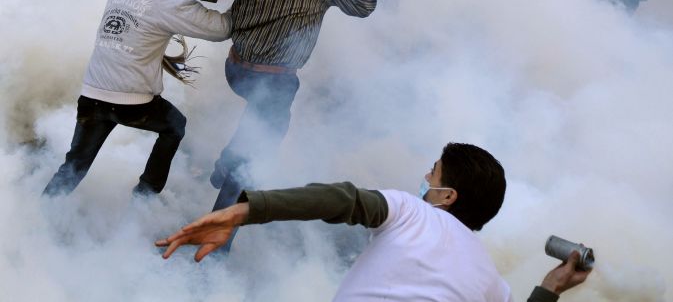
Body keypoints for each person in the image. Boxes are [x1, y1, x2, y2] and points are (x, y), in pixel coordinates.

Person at [156, 143, 591, 301]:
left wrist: (243, 211)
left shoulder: (410, 209)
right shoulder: (490, 281)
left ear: (447, 197)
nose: (424, 178)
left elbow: (342, 199)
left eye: (432, 173)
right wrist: (551, 286)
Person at [191, 0, 376, 214]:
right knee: (256, 151)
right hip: (276, 81)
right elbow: (365, 5)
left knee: (257, 120)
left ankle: (224, 164)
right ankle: (220, 227)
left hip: (236, 70)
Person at [43, 0, 232, 197]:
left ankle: (43, 214)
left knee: (74, 165)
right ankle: (145, 193)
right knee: (174, 126)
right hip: (132, 102)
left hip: (92, 95)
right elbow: (220, 28)